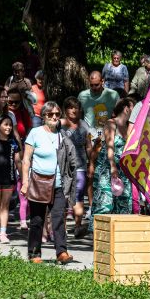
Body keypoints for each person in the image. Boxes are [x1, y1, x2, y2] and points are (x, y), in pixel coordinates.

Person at [20, 102, 77, 264]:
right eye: (50, 114)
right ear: (44, 116)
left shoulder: (62, 135)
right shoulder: (35, 133)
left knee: (58, 218)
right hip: (38, 183)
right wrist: (25, 182)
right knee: (37, 220)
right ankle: (34, 254)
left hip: (58, 184)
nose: (54, 117)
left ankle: (61, 252)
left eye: (57, 114)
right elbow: (26, 160)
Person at [89, 98, 134, 230]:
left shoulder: (128, 128)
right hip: (107, 168)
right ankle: (99, 234)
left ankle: (119, 235)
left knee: (124, 203)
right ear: (126, 108)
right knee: (104, 202)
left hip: (123, 171)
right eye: (133, 108)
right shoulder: (111, 123)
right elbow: (110, 147)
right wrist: (113, 165)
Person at [60, 97, 92, 238]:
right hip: (62, 167)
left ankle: (78, 226)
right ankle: (62, 229)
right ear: (65, 110)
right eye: (70, 107)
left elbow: (89, 146)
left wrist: (91, 164)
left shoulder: (84, 125)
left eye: (76, 107)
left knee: (78, 196)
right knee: (63, 198)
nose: (74, 110)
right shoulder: (60, 125)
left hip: (80, 166)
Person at [6, 88, 33, 230]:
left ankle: (22, 214)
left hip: (21, 146)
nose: (14, 104)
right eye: (11, 101)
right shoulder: (7, 114)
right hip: (8, 146)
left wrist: (24, 151)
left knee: (21, 182)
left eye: (17, 102)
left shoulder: (23, 113)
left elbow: (28, 130)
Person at [0, 115, 21, 243]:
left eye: (10, 125)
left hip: (9, 178)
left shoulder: (13, 143)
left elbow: (18, 161)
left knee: (5, 206)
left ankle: (3, 233)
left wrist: (23, 177)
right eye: (5, 124)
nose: (9, 127)